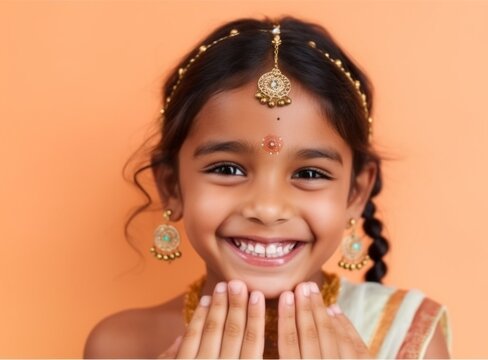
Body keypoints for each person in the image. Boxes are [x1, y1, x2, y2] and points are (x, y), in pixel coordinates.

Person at [84, 16, 451, 359]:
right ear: (172, 186)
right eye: (227, 169)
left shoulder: (407, 334)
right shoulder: (123, 345)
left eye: (309, 174)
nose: (268, 208)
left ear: (356, 192)